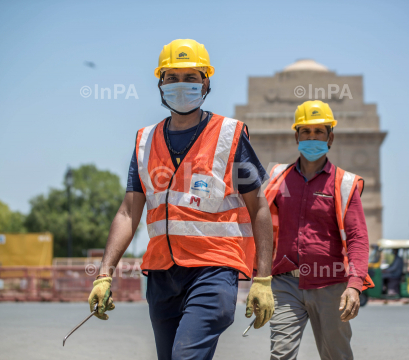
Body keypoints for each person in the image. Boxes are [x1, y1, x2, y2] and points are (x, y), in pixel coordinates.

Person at [87, 39, 275, 360]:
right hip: (162, 274)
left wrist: (263, 278)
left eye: (191, 77)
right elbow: (128, 212)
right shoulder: (145, 141)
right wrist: (105, 273)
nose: (181, 85)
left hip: (213, 270)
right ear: (160, 84)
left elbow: (259, 208)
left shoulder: (229, 136)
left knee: (185, 356)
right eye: (172, 78)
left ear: (206, 84)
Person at [264, 100, 373, 360]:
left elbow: (358, 237)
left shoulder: (344, 183)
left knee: (336, 356)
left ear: (330, 137)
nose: (312, 137)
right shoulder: (278, 178)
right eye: (306, 132)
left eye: (319, 132)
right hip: (286, 283)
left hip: (331, 284)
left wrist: (355, 285)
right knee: (280, 356)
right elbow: (262, 226)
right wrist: (260, 279)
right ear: (296, 136)